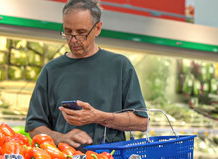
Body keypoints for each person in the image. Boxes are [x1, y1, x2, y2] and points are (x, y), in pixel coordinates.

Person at [25, 0, 148, 149]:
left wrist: (98, 117)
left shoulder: (120, 65)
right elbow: (34, 126)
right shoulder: (51, 70)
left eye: (81, 33)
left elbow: (141, 122)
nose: (73, 40)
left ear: (97, 28)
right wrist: (60, 138)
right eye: (68, 32)